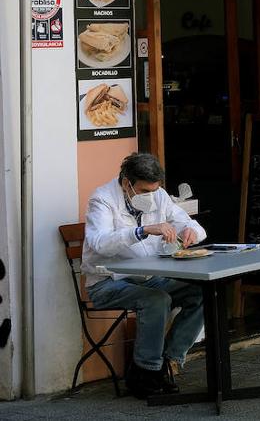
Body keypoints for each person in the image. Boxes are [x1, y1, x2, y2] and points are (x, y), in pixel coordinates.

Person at [83, 152, 206, 399]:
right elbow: (99, 243)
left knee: (202, 291)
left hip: (149, 277)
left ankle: (168, 363)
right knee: (156, 300)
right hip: (107, 282)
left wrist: (190, 232)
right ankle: (145, 373)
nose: (150, 196)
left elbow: (189, 224)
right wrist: (141, 230)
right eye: (143, 191)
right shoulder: (102, 200)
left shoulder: (158, 196)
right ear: (127, 182)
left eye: (154, 189)